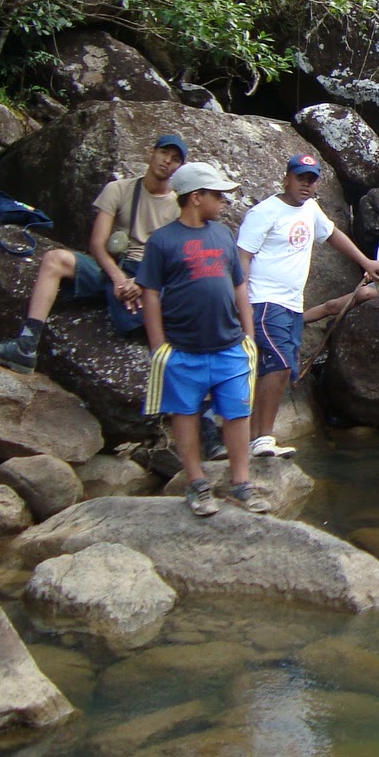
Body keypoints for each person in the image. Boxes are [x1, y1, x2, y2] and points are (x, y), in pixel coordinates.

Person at [0, 133, 189, 373]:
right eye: (164, 153)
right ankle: (26, 345)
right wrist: (118, 278)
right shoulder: (119, 189)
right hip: (113, 269)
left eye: (175, 159)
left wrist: (141, 282)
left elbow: (175, 260)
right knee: (54, 259)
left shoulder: (179, 207)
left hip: (147, 277)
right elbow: (97, 243)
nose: (167, 161)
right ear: (152, 152)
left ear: (180, 167)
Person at [136, 161, 269, 517]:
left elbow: (239, 285)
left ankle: (241, 482)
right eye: (218, 195)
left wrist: (249, 334)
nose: (224, 202)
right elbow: (150, 292)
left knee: (238, 414)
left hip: (230, 346)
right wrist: (158, 345)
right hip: (182, 350)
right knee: (185, 414)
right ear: (196, 197)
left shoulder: (223, 234)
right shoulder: (162, 241)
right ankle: (196, 482)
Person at [237, 155, 379, 459]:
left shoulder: (311, 209)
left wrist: (366, 262)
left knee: (281, 368)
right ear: (287, 178)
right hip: (264, 300)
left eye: (311, 179)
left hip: (293, 303)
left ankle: (255, 437)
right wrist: (241, 306)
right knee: (278, 365)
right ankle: (262, 438)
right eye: (300, 178)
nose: (306, 185)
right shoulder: (264, 212)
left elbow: (332, 235)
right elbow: (242, 257)